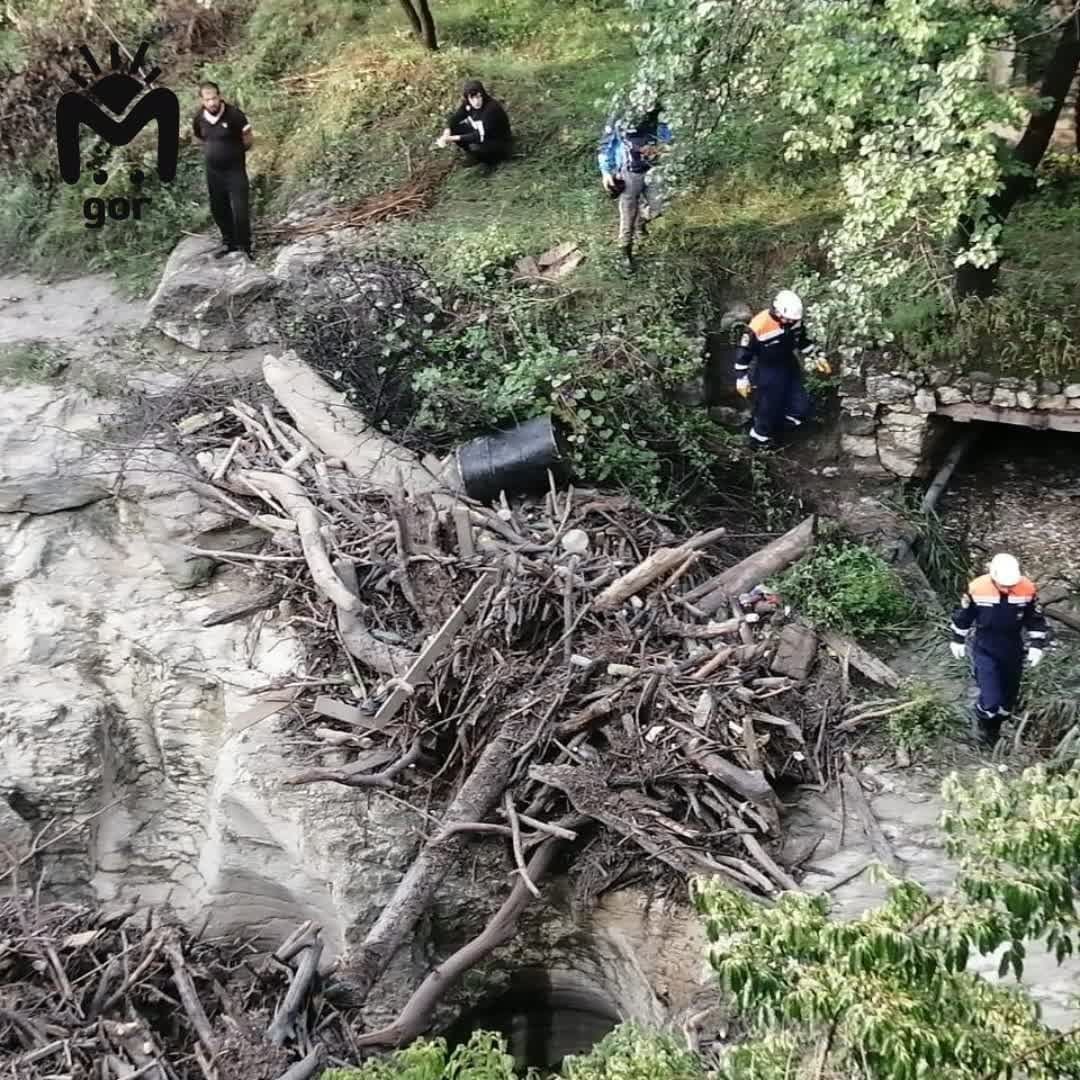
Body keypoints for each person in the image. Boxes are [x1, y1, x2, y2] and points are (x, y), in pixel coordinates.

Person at [949, 553, 1049, 748]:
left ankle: (996, 727)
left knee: (1007, 700)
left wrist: (1037, 645)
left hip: (1013, 648)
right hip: (985, 647)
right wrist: (957, 639)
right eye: (1004, 585)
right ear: (993, 577)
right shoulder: (978, 589)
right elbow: (964, 615)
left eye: (1011, 585)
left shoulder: (1026, 589)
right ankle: (982, 729)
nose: (1008, 588)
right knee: (991, 699)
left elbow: (1034, 618)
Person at [733, 289, 830, 449]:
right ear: (776, 310)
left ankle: (781, 431)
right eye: (787, 318)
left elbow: (803, 341)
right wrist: (741, 378)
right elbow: (744, 353)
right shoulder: (759, 325)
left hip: (789, 364)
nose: (789, 322)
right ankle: (758, 440)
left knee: (800, 405)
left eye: (793, 320)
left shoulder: (794, 321)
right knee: (767, 406)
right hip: (768, 369)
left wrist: (816, 356)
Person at [597, 105, 672, 271]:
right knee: (627, 215)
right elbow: (605, 145)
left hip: (653, 170)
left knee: (658, 208)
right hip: (628, 172)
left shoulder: (656, 113)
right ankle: (625, 252)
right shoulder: (619, 115)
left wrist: (661, 149)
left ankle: (641, 222)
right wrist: (606, 172)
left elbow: (668, 137)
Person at [192, 81, 254, 260]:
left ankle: (245, 247)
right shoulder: (199, 118)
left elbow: (248, 138)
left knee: (240, 209)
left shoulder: (234, 115)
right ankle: (229, 243)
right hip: (213, 172)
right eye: (207, 99)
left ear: (219, 96)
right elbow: (199, 136)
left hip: (234, 170)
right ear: (202, 101)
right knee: (218, 209)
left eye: (214, 98)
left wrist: (235, 153)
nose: (211, 103)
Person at [437, 80, 512, 172]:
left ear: (483, 95)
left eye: (478, 97)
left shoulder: (491, 109)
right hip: (480, 133)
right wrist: (447, 131)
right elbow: (455, 118)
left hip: (496, 140)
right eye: (472, 98)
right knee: (454, 129)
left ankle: (491, 163)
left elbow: (480, 136)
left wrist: (452, 138)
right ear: (468, 99)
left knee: (481, 147)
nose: (476, 102)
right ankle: (473, 154)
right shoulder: (468, 105)